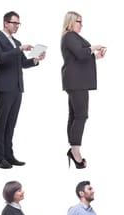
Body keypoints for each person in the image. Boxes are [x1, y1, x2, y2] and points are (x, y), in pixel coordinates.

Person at [0, 12, 45, 169]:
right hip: (4, 87)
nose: (16, 26)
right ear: (5, 23)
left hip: (17, 87)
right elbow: (0, 58)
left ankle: (9, 155)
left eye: (18, 24)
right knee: (1, 122)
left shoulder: (17, 41)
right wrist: (20, 48)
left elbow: (23, 64)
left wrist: (35, 59)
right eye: (14, 23)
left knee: (11, 123)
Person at [61, 12, 105, 169]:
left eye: (81, 22)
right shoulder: (69, 36)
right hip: (76, 82)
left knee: (74, 115)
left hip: (76, 81)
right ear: (71, 21)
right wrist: (93, 48)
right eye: (78, 21)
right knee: (81, 115)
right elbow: (80, 53)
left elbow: (79, 57)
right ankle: (75, 152)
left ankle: (73, 149)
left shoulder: (73, 37)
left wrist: (95, 56)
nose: (81, 24)